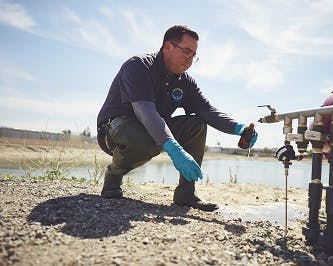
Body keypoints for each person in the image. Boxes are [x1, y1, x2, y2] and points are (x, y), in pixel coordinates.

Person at [97, 25, 258, 212]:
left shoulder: (184, 81)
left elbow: (205, 109)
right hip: (115, 131)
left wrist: (238, 128)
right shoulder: (138, 66)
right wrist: (175, 149)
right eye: (186, 51)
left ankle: (186, 193)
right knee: (143, 135)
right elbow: (145, 112)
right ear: (168, 47)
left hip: (153, 131)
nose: (190, 58)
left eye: (194, 54)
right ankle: (113, 176)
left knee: (196, 124)